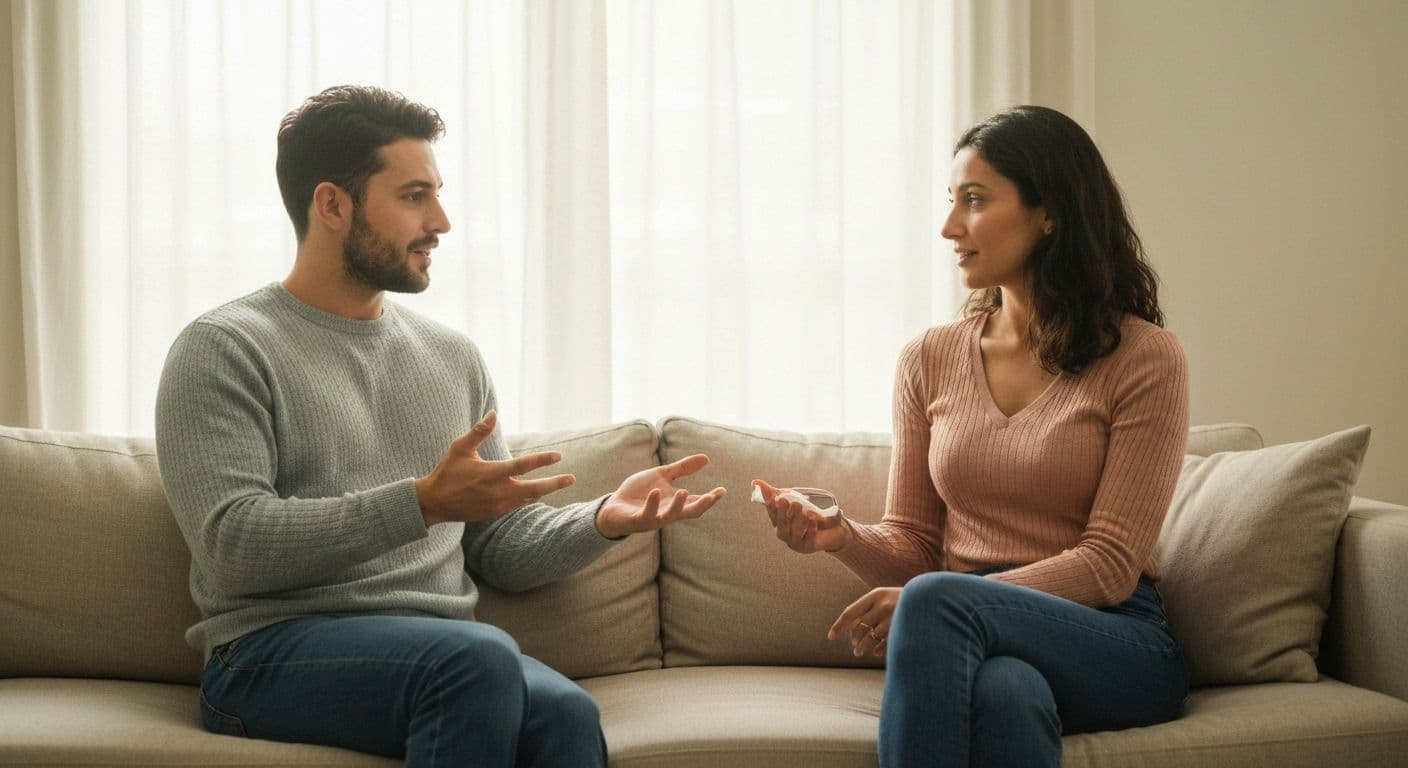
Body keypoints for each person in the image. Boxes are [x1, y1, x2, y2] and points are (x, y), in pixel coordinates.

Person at [155, 84, 725, 767]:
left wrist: (604, 519)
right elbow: (232, 543)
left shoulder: (452, 357)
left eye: (438, 194)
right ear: (332, 204)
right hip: (269, 654)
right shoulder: (224, 346)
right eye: (413, 196)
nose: (443, 221)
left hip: (441, 651)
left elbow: (498, 546)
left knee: (566, 713)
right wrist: (421, 503)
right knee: (473, 660)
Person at [754, 105, 1189, 768]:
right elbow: (918, 545)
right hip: (978, 642)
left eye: (975, 201)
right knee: (1007, 695)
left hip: (1113, 635)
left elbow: (1107, 565)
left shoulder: (1144, 357)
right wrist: (841, 536)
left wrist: (957, 598)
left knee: (939, 601)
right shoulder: (928, 357)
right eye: (951, 201)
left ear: (1050, 212)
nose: (949, 226)